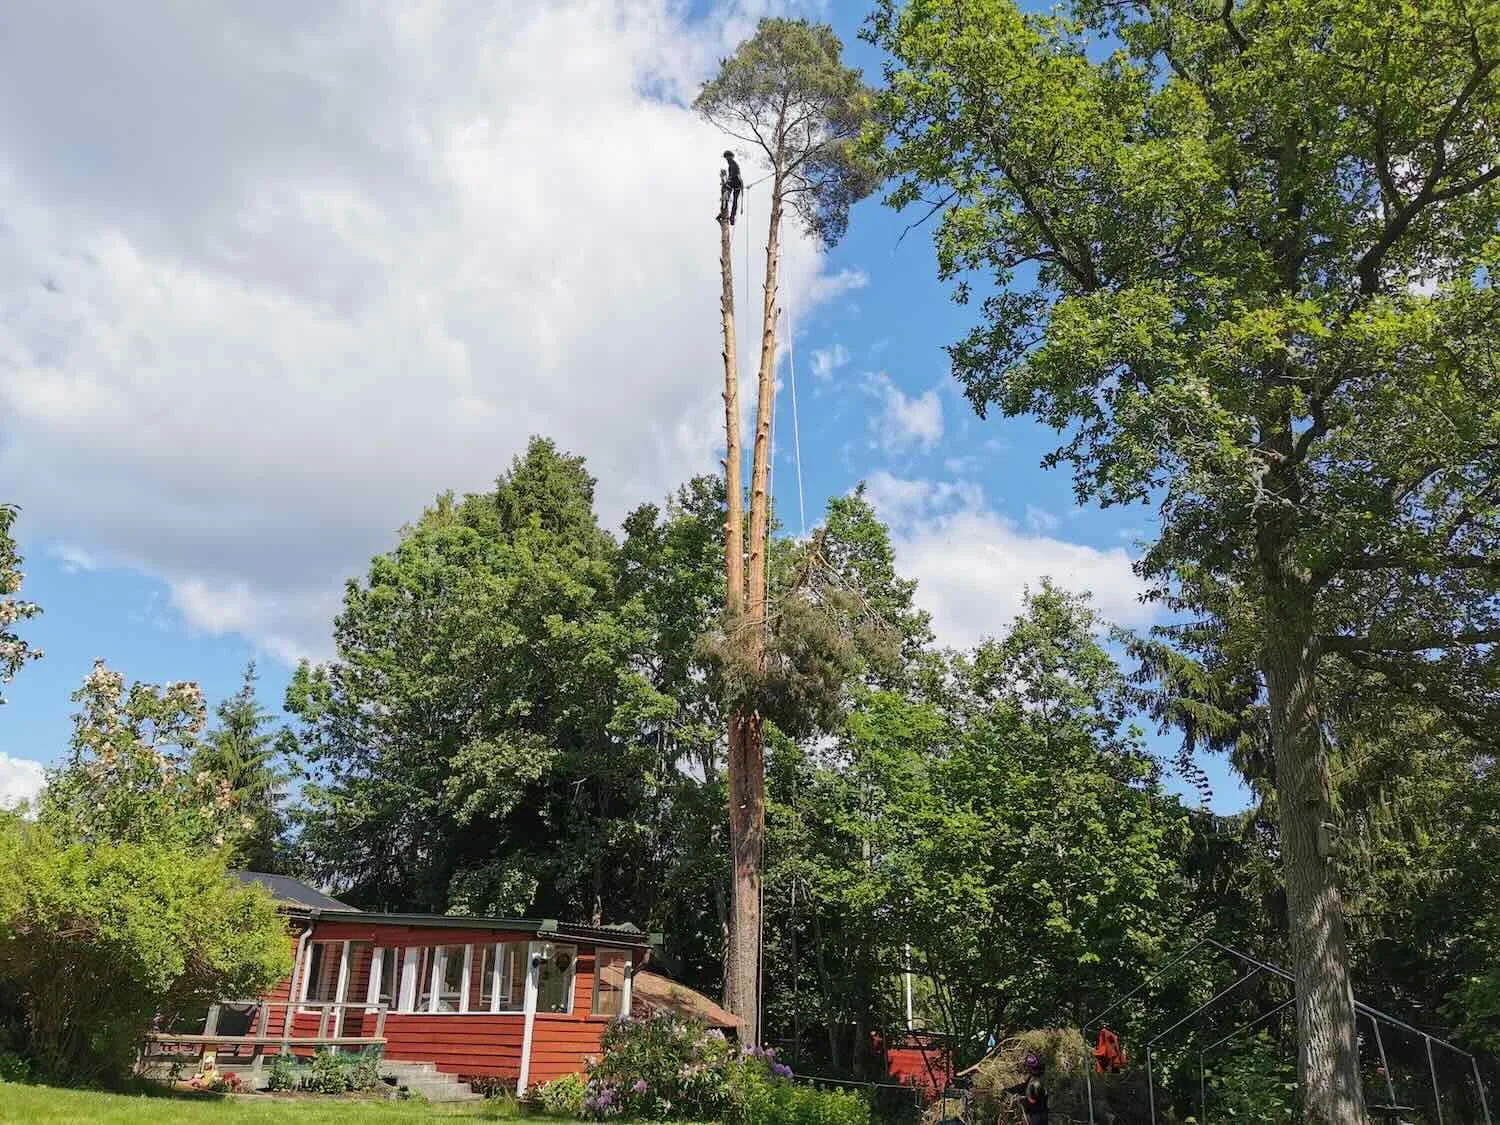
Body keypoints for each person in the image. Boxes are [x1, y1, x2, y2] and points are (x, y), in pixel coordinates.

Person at [1004, 1052, 1048, 1125]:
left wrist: (1021, 1099)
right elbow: (1022, 1087)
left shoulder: (1036, 1083)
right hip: (1034, 1115)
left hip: (1038, 1116)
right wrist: (1010, 1090)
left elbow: (1032, 1101)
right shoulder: (1032, 1079)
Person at [720, 150, 743, 223]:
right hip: (734, 183)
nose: (727, 160)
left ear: (730, 158)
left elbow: (732, 176)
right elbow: (730, 176)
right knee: (728, 196)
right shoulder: (731, 165)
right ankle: (727, 212)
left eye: (727, 158)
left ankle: (732, 216)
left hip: (737, 183)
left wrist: (726, 183)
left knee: (734, 199)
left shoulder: (733, 164)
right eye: (726, 158)